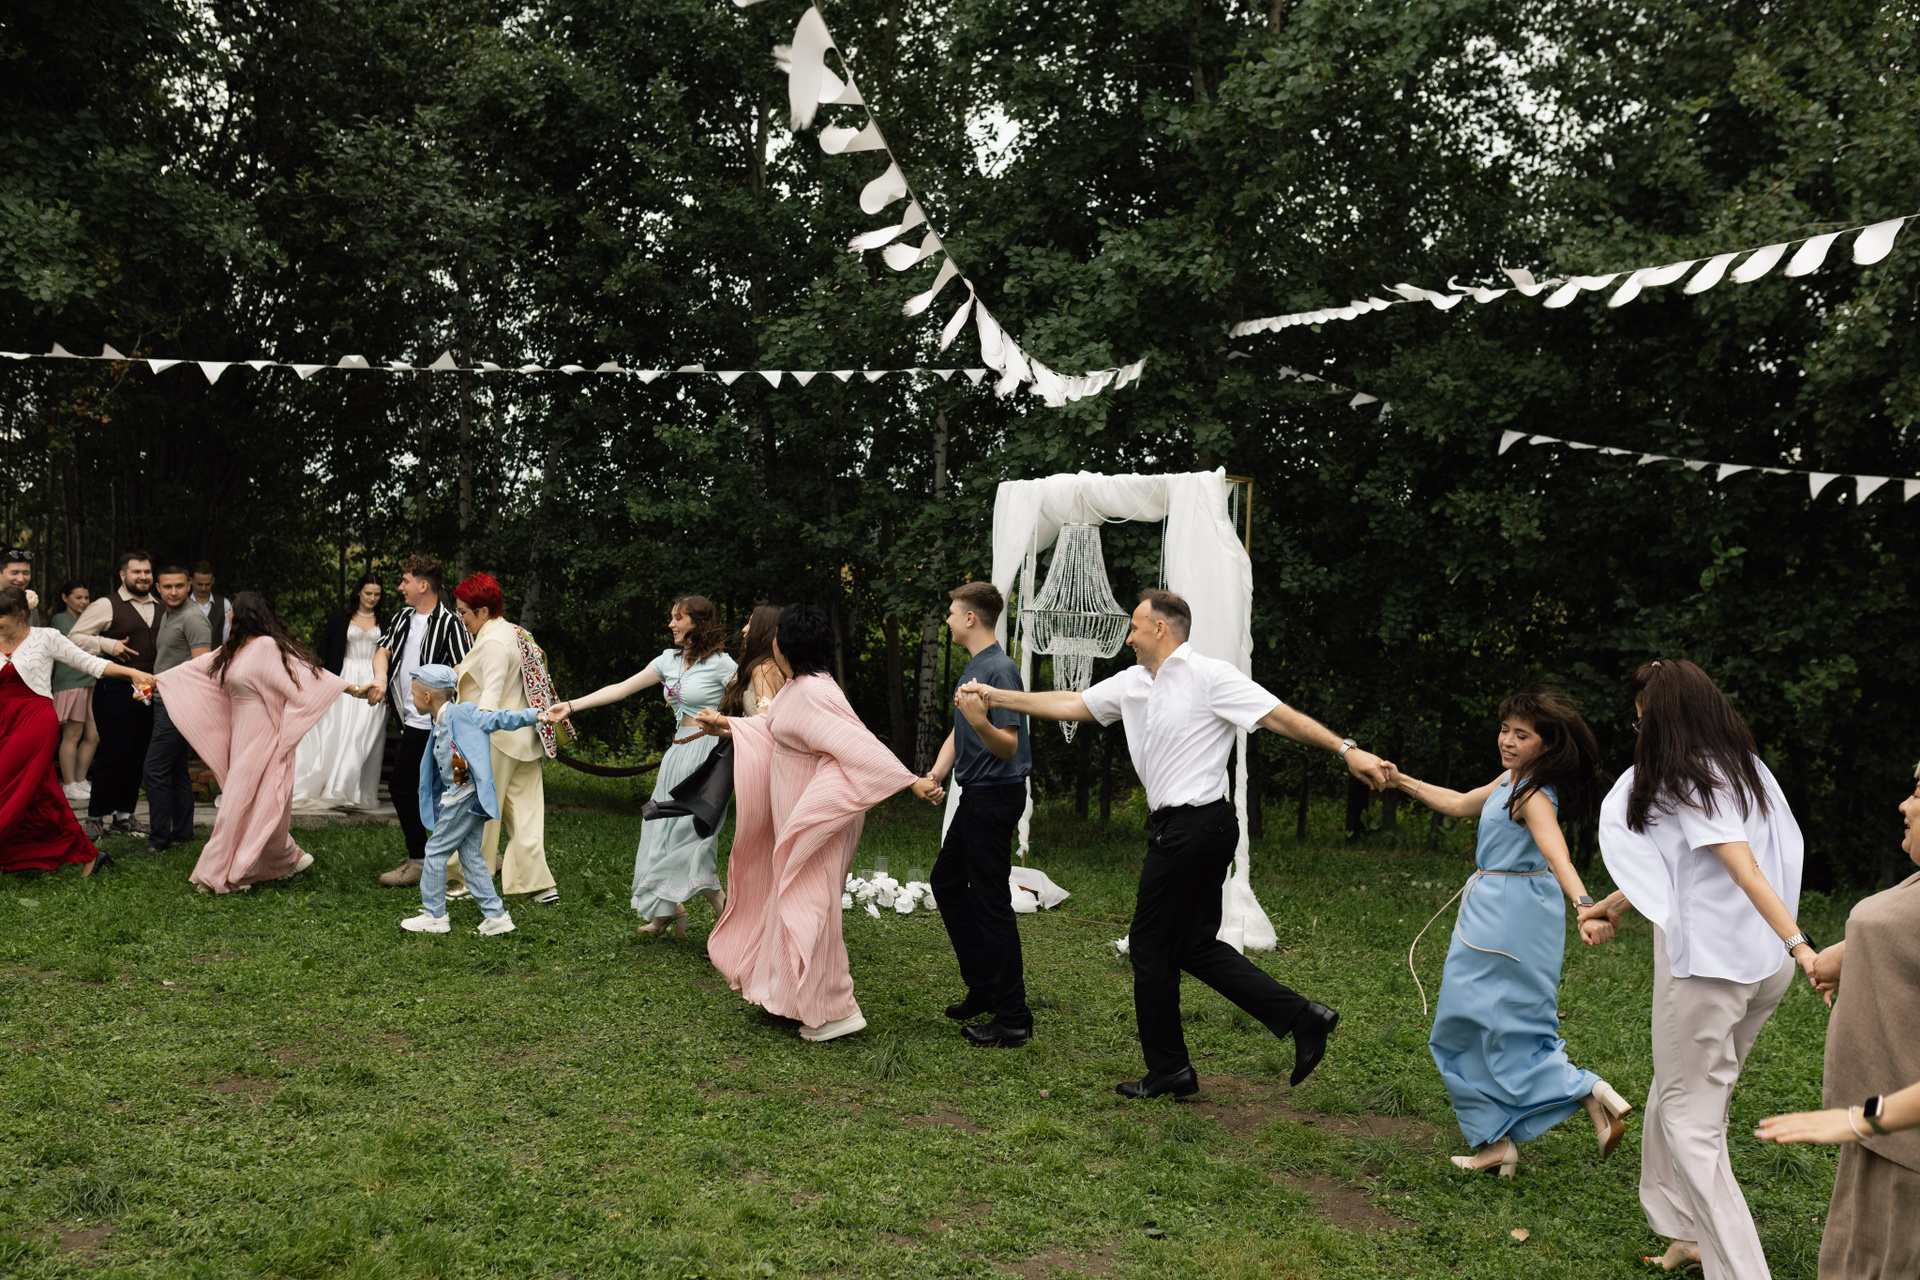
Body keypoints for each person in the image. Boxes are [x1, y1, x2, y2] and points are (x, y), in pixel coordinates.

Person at [959, 589, 1389, 1098]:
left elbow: (1277, 715)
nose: (1128, 638)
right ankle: (1301, 1016)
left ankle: (1170, 1069)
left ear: (1160, 628)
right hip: (1187, 829)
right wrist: (998, 697)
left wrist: (1346, 749)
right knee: (1192, 945)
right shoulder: (1134, 683)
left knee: (1149, 946)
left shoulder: (1209, 676)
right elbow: (1072, 703)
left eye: (1134, 627)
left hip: (1197, 827)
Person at [1580, 659, 1816, 1278]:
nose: (1639, 726)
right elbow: (1689, 863)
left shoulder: (1688, 775)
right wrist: (1612, 905)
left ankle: (1741, 1271)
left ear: (1655, 715)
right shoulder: (1745, 768)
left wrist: (1802, 945)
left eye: (1641, 715)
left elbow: (1741, 867)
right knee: (1678, 1092)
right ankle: (1686, 1231)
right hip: (1759, 967)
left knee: (1692, 1121)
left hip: (1712, 969)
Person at [1384, 686, 1632, 1177]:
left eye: (1522, 735)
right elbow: (1459, 803)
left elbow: (1557, 852)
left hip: (1503, 914)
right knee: (1509, 1021)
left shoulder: (1531, 794)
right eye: (1505, 730)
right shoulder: (1511, 780)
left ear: (1547, 744)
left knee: (1459, 1028)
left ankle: (1579, 1088)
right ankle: (1500, 1142)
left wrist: (1585, 906)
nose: (1508, 741)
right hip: (1516, 908)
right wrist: (1400, 780)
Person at [694, 604, 944, 1040]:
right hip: (793, 808)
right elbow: (775, 728)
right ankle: (790, 997)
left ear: (785, 645)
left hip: (817, 815)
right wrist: (728, 726)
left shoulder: (816, 691)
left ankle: (834, 1010)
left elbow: (859, 744)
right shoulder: (797, 686)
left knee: (811, 904)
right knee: (790, 896)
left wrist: (911, 782)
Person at [1748, 764, 1920, 1278]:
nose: (1905, 805)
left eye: (1919, 793)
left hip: (1906, 1147)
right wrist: (1843, 954)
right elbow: (1893, 924)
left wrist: (1863, 1118)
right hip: (1881, 1133)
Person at [548, 595, 737, 932]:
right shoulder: (668, 660)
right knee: (660, 831)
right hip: (677, 754)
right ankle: (667, 913)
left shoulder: (722, 664)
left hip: (708, 758)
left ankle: (733, 923)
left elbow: (751, 706)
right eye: (672, 617)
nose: (671, 624)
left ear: (699, 622)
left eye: (678, 618)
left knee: (693, 839)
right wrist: (571, 706)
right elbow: (621, 689)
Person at [156, 593, 349, 894]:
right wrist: (156, 680)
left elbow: (306, 676)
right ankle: (284, 858)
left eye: (232, 610)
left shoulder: (265, 646)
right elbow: (198, 670)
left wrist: (352, 688)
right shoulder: (235, 649)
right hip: (242, 735)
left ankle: (220, 873)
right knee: (250, 803)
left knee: (236, 804)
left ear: (243, 615)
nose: (228, 614)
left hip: (263, 734)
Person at [923, 582, 1034, 1047]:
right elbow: (960, 729)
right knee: (947, 882)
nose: (948, 619)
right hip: (975, 795)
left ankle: (1013, 1018)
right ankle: (985, 986)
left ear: (971, 618)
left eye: (952, 613)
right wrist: (936, 772)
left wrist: (978, 720)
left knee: (990, 902)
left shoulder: (1000, 670)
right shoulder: (975, 666)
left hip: (995, 795)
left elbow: (1007, 745)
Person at [0, 585, 153, 875]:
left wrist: (131, 672)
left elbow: (90, 663)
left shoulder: (46, 637)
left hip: (34, 722)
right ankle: (86, 856)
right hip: (3, 720)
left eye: (0, 616)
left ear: (20, 614)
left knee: (6, 785)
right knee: (43, 795)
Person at [399, 664, 541, 937]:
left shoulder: (462, 713)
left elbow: (498, 718)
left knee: (435, 851)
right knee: (471, 855)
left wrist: (536, 715)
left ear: (427, 697)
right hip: (462, 794)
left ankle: (435, 915)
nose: (411, 699)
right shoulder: (440, 720)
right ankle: (496, 917)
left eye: (413, 694)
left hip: (464, 797)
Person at [449, 572, 559, 904]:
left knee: (478, 812)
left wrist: (471, 736)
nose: (460, 618)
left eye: (463, 612)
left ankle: (469, 880)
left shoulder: (494, 643)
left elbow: (491, 695)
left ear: (482, 611)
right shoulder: (512, 631)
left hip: (494, 739)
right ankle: (536, 884)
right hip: (524, 739)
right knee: (526, 814)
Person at [365, 556, 470, 886]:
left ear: (423, 585)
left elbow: (464, 668)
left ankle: (422, 860)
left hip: (436, 725)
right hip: (410, 720)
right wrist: (380, 679)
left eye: (405, 580)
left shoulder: (450, 623)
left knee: (411, 787)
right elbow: (383, 651)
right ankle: (458, 855)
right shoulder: (403, 617)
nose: (400, 587)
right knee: (442, 789)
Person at [68, 551, 158, 838]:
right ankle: (95, 817)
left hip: (150, 692)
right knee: (112, 754)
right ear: (123, 575)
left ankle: (124, 817)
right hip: (114, 690)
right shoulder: (106, 605)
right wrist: (108, 645)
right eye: (136, 572)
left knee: (137, 755)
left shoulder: (162, 605)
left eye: (147, 571)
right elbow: (74, 638)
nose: (143, 577)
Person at [291, 573, 389, 811]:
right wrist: (321, 683)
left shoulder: (386, 621)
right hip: (344, 677)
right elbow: (324, 651)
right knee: (338, 732)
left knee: (364, 733)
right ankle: (333, 787)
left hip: (374, 677)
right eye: (368, 593)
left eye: (377, 594)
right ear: (358, 592)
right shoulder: (339, 618)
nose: (372, 598)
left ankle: (352, 789)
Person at [139, 564, 214, 854]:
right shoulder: (169, 614)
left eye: (179, 586)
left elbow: (201, 669)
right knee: (176, 769)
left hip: (179, 704)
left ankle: (158, 840)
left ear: (189, 586)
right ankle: (182, 833)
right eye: (167, 587)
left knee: (154, 770)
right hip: (163, 700)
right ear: (158, 588)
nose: (173, 592)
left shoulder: (194, 619)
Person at [49, 581, 100, 801]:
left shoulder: (87, 619)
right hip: (71, 682)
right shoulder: (60, 620)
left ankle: (80, 780)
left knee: (94, 736)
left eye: (86, 598)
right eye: (78, 597)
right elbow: (81, 647)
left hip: (90, 682)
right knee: (73, 735)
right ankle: (69, 784)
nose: (83, 602)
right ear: (65, 598)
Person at [718, 604, 786, 717]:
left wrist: (720, 721)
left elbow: (764, 717)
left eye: (751, 624)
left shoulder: (763, 669)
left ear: (764, 630)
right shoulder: (776, 666)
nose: (744, 629)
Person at [188, 561, 233, 649]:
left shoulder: (224, 604)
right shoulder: (183, 605)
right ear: (191, 581)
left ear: (213, 581)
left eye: (207, 584)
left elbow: (228, 638)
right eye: (199, 584)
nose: (203, 588)